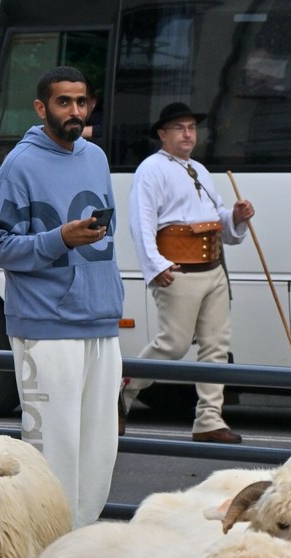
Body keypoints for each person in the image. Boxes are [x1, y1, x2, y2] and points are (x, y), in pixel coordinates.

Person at [0, 66, 124, 527]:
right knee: (54, 454)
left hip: (100, 320)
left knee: (99, 453)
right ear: (41, 108)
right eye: (64, 102)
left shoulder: (97, 157)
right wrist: (59, 239)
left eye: (82, 101)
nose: (75, 111)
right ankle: (40, 555)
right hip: (46, 325)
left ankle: (75, 554)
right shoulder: (19, 164)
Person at [121, 102, 255, 444]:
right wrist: (156, 266)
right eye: (179, 128)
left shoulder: (199, 169)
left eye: (191, 128)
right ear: (162, 135)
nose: (187, 134)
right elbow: (142, 222)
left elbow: (217, 221)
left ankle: (209, 418)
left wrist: (235, 217)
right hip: (178, 270)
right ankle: (119, 394)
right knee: (173, 344)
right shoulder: (151, 170)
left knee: (216, 347)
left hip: (212, 268)